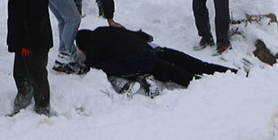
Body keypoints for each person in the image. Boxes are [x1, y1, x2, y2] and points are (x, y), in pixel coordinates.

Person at [75, 27, 237, 98]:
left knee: (184, 77)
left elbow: (93, 64)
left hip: (144, 60)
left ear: (83, 45)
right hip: (155, 49)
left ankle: (213, 90)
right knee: (198, 65)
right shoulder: (106, 30)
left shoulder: (93, 45)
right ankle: (234, 74)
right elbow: (142, 35)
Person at [5, 0, 53, 116]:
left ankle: (42, 107)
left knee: (37, 74)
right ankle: (22, 103)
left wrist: (28, 44)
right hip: (20, 40)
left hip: (35, 42)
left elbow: (37, 19)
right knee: (19, 73)